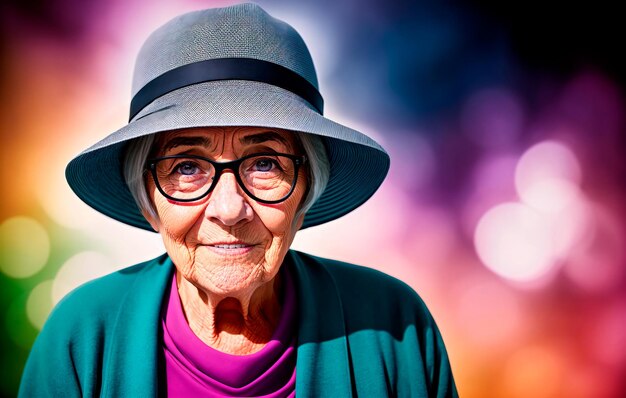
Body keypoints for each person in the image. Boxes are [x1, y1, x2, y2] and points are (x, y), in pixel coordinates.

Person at [19, 3, 458, 397]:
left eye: (264, 163)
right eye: (187, 167)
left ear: (307, 187)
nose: (229, 209)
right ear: (148, 197)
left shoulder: (395, 327)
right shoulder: (80, 336)